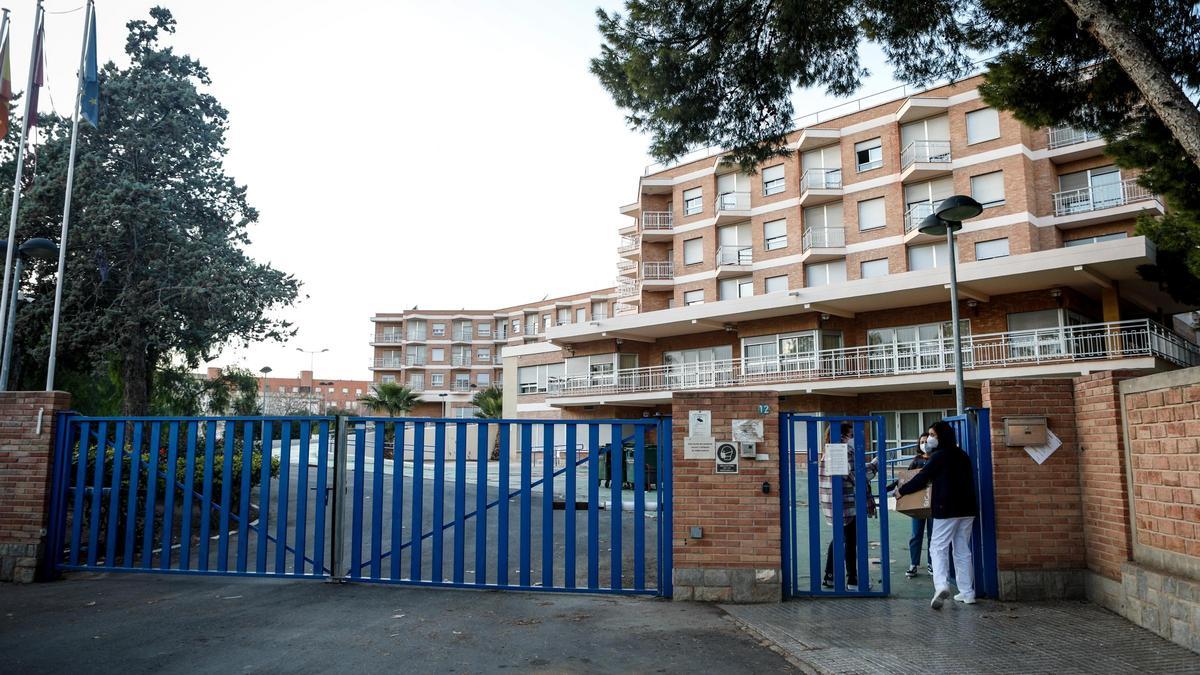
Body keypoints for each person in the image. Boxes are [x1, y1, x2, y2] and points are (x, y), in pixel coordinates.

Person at [895, 421, 978, 609]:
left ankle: (941, 586)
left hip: (946, 508)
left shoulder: (939, 457)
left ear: (941, 436)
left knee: (937, 548)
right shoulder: (962, 455)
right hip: (967, 509)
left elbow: (922, 477)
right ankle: (967, 592)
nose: (929, 438)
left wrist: (902, 490)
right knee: (962, 550)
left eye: (932, 434)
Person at [820, 422, 879, 589]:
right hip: (847, 503)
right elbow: (858, 476)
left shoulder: (827, 452)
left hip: (833, 503)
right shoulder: (845, 451)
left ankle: (830, 576)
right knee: (851, 540)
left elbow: (850, 472)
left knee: (840, 537)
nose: (853, 438)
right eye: (851, 435)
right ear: (843, 436)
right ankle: (852, 579)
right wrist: (876, 463)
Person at [905, 433, 934, 578]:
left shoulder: (936, 459)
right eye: (921, 442)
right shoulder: (916, 460)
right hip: (918, 503)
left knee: (933, 535)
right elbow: (907, 479)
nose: (924, 444)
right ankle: (913, 564)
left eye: (926, 441)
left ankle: (931, 563)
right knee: (916, 534)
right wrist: (893, 488)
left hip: (933, 504)